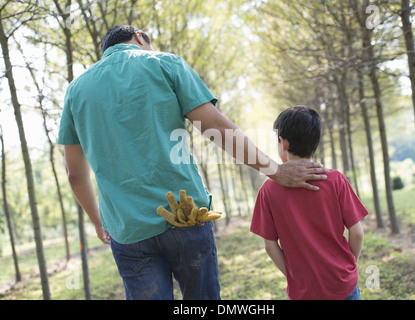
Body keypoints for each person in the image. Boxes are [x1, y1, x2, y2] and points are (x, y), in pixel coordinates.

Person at [58, 25, 328, 300]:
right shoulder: (165, 63)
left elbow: (75, 174)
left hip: (128, 231)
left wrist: (98, 222)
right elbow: (214, 127)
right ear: (139, 36)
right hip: (185, 215)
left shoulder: (76, 91)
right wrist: (275, 171)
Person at [250, 106, 368, 300]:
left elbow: (270, 246)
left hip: (304, 292)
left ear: (283, 143)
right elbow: (357, 232)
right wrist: (347, 268)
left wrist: (294, 278)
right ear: (315, 142)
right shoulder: (336, 180)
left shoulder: (268, 190)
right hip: (343, 286)